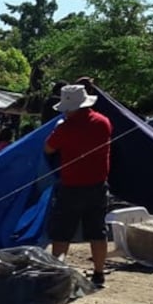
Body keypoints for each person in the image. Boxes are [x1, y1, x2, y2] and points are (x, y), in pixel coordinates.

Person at [43, 84, 112, 287]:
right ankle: (99, 274)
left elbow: (48, 149)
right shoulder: (104, 123)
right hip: (98, 186)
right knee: (97, 231)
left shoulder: (64, 129)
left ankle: (58, 275)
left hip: (71, 187)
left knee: (62, 233)